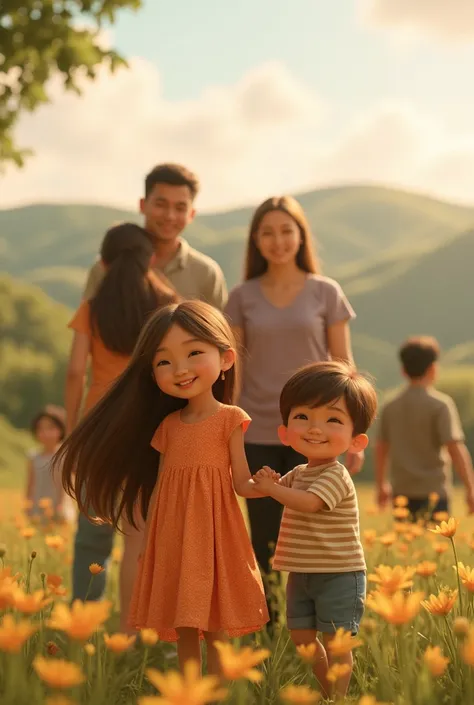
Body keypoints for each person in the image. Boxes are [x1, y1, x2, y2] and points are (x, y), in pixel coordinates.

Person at [56, 301, 270, 674]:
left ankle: (216, 691)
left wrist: (271, 488)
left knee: (214, 624)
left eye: (193, 353)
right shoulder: (167, 427)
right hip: (174, 538)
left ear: (226, 359)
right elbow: (158, 491)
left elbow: (241, 483)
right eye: (164, 361)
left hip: (215, 538)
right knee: (185, 624)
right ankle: (189, 690)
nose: (180, 369)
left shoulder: (230, 419)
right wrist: (150, 545)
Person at [224, 195, 360, 581]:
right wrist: (226, 429)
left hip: (317, 432)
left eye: (286, 230)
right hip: (260, 431)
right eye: (267, 232)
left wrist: (349, 431)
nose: (277, 240)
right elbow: (232, 371)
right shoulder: (241, 296)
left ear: (301, 236)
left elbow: (343, 368)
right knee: (265, 538)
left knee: (316, 532)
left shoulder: (326, 292)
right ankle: (267, 627)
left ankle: (310, 625)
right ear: (255, 240)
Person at [66, 222, 177, 628]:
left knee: (91, 533)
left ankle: (84, 627)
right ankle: (135, 633)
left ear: (104, 261)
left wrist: (71, 427)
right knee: (139, 535)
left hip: (97, 429)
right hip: (149, 428)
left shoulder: (92, 308)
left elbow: (76, 371)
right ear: (150, 258)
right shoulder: (167, 302)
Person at [253, 361, 377, 699]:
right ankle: (327, 690)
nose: (315, 428)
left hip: (339, 574)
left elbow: (307, 503)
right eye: (303, 417)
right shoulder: (299, 472)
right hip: (302, 574)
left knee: (336, 644)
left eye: (333, 419)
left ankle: (338, 696)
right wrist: (248, 478)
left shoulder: (335, 475)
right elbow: (256, 488)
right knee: (303, 640)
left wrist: (272, 488)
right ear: (285, 432)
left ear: (356, 441)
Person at [83, 163, 227, 309]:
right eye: (161, 204)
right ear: (142, 205)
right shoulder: (107, 266)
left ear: (191, 214)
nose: (170, 216)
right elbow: (85, 326)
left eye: (180, 208)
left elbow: (218, 331)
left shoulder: (207, 273)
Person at [375, 336, 474, 519]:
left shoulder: (390, 405)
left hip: (401, 491)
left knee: (407, 544)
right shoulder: (441, 405)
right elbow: (455, 449)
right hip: (435, 491)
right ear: (433, 369)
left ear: (403, 370)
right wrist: (470, 489)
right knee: (435, 542)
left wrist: (381, 485)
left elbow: (381, 447)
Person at [26, 406, 73, 523]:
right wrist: (28, 504)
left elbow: (65, 486)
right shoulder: (33, 457)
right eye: (41, 429)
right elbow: (30, 484)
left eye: (51, 428)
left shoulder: (63, 456)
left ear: (61, 430)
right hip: (37, 509)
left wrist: (60, 507)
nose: (45, 432)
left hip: (59, 510)